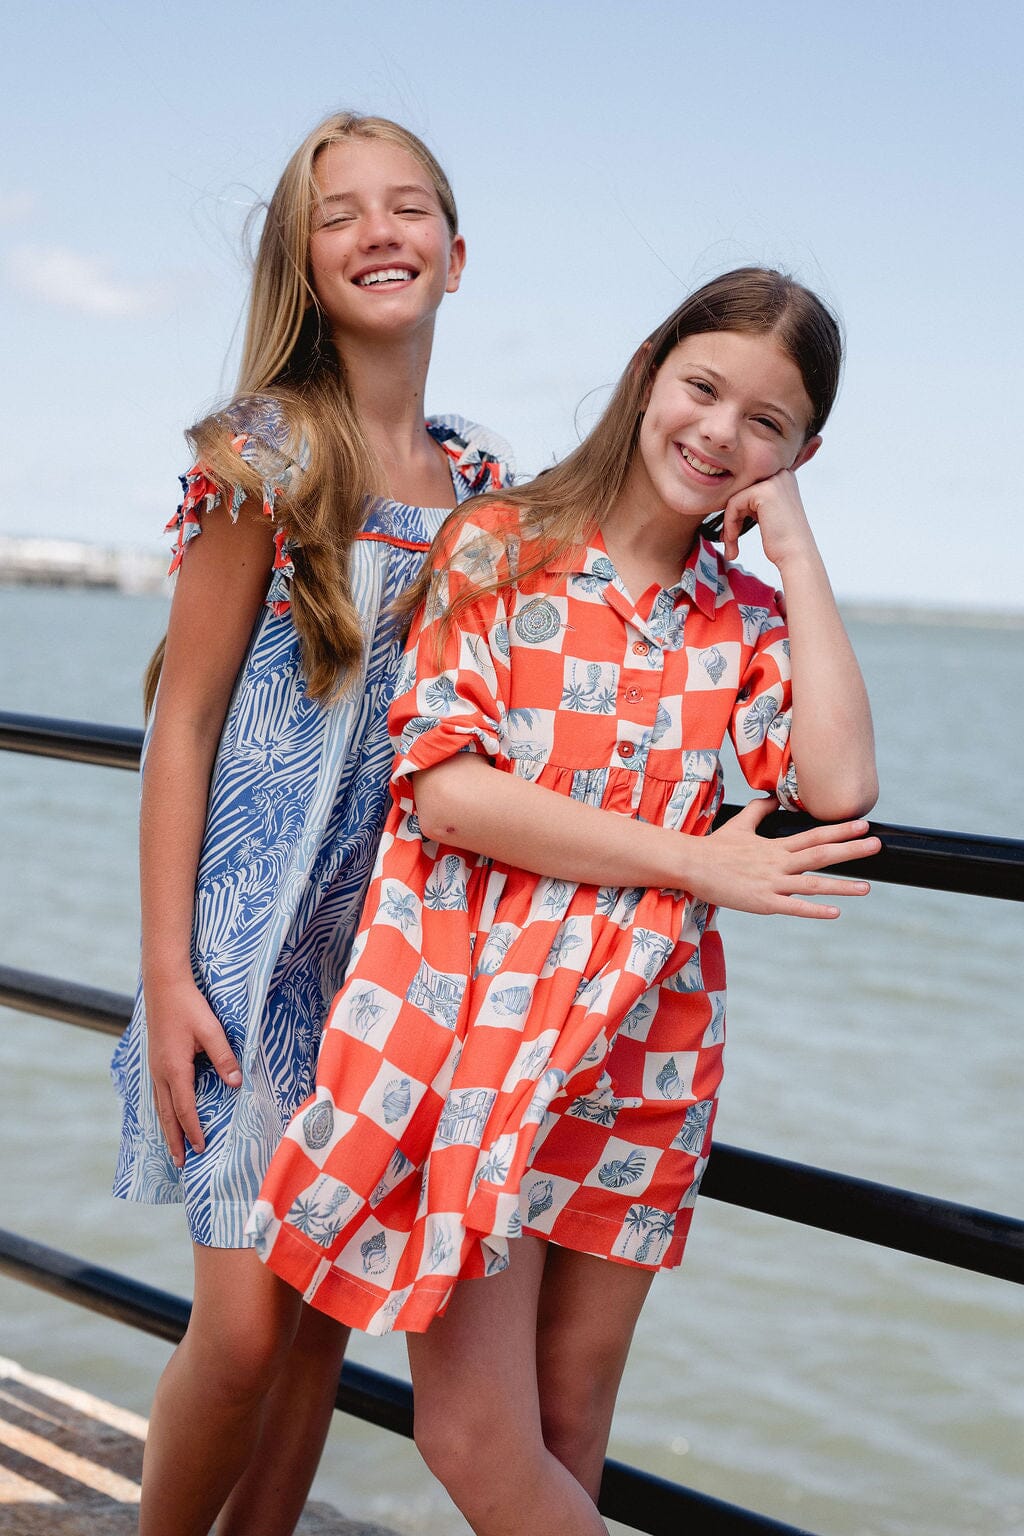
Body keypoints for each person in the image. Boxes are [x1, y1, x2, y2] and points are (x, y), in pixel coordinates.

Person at [248, 266, 879, 1535]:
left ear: (800, 453)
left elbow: (840, 784)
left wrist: (797, 548)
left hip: (646, 1047)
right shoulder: (503, 544)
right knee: (472, 1434)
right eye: (702, 388)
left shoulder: (745, 618)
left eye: (767, 421)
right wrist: (694, 863)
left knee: (570, 1423)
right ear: (648, 370)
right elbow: (448, 795)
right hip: (480, 1036)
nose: (720, 432)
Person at [109, 111, 512, 1536]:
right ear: (301, 258)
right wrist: (167, 973)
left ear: (455, 254)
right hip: (242, 950)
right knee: (237, 1333)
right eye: (339, 213)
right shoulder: (261, 452)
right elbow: (185, 724)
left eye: (407, 208)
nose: (377, 232)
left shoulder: (484, 487)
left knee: (315, 1327)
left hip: (393, 962)